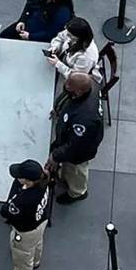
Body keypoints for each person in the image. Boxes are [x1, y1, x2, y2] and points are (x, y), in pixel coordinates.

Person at [47, 73, 103, 204]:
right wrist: (59, 108)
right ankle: (65, 175)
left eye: (69, 89)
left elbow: (75, 146)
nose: (66, 89)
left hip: (80, 151)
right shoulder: (90, 85)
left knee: (76, 170)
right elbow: (67, 98)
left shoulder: (85, 118)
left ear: (78, 92)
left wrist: (56, 155)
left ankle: (77, 192)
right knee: (67, 164)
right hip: (70, 138)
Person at [0, 159, 51, 270]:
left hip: (25, 232)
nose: (17, 179)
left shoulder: (24, 200)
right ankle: (36, 261)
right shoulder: (44, 183)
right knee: (37, 242)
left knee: (22, 255)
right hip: (40, 222)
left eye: (20, 177)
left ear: (28, 180)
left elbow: (6, 211)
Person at [0, 0, 74, 44]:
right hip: (28, 24)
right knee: (4, 36)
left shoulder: (63, 12)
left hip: (39, 34)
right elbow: (30, 4)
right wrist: (22, 20)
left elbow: (52, 33)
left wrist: (30, 36)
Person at [46, 17, 102, 83]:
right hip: (63, 62)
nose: (66, 35)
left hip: (71, 76)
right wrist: (55, 47)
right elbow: (60, 37)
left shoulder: (87, 56)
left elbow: (76, 77)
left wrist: (57, 64)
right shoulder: (71, 33)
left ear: (79, 37)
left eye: (69, 35)